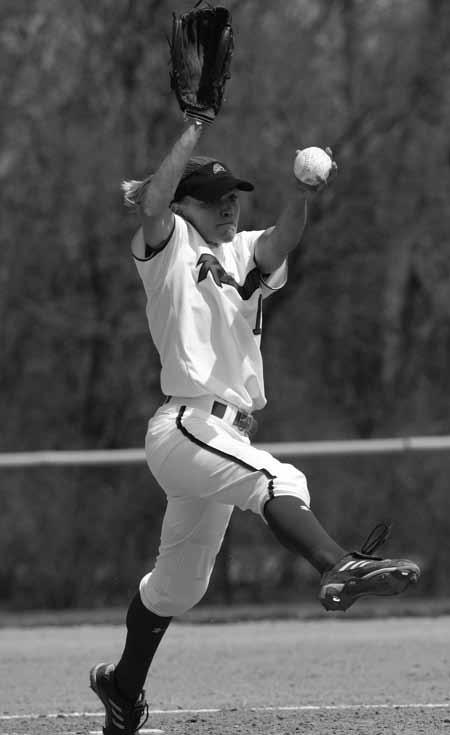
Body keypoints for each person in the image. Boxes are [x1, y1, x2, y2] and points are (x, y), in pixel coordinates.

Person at [89, 117, 420, 735]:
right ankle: (337, 564)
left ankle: (120, 687)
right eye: (214, 200)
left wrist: (303, 196)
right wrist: (193, 125)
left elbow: (282, 241)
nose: (228, 208)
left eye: (234, 198)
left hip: (225, 435)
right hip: (185, 424)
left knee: (178, 588)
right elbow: (154, 201)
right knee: (277, 479)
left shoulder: (242, 253)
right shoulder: (168, 250)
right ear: (183, 206)